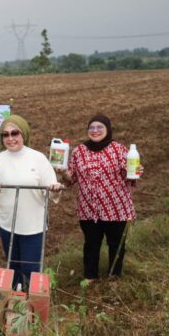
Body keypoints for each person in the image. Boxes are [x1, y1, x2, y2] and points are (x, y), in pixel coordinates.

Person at [0, 114, 63, 291]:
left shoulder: (38, 158)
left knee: (31, 269)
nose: (10, 138)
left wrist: (54, 189)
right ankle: (14, 305)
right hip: (7, 224)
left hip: (33, 226)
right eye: (5, 134)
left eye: (14, 133)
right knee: (13, 268)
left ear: (23, 134)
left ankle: (33, 304)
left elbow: (51, 191)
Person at [62, 114, 139, 280]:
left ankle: (114, 277)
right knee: (91, 244)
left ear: (108, 129)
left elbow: (130, 175)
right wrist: (63, 173)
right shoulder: (79, 152)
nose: (95, 131)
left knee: (116, 244)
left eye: (99, 127)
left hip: (116, 208)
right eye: (91, 128)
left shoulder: (119, 150)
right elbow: (71, 179)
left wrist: (136, 172)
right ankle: (90, 277)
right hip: (88, 209)